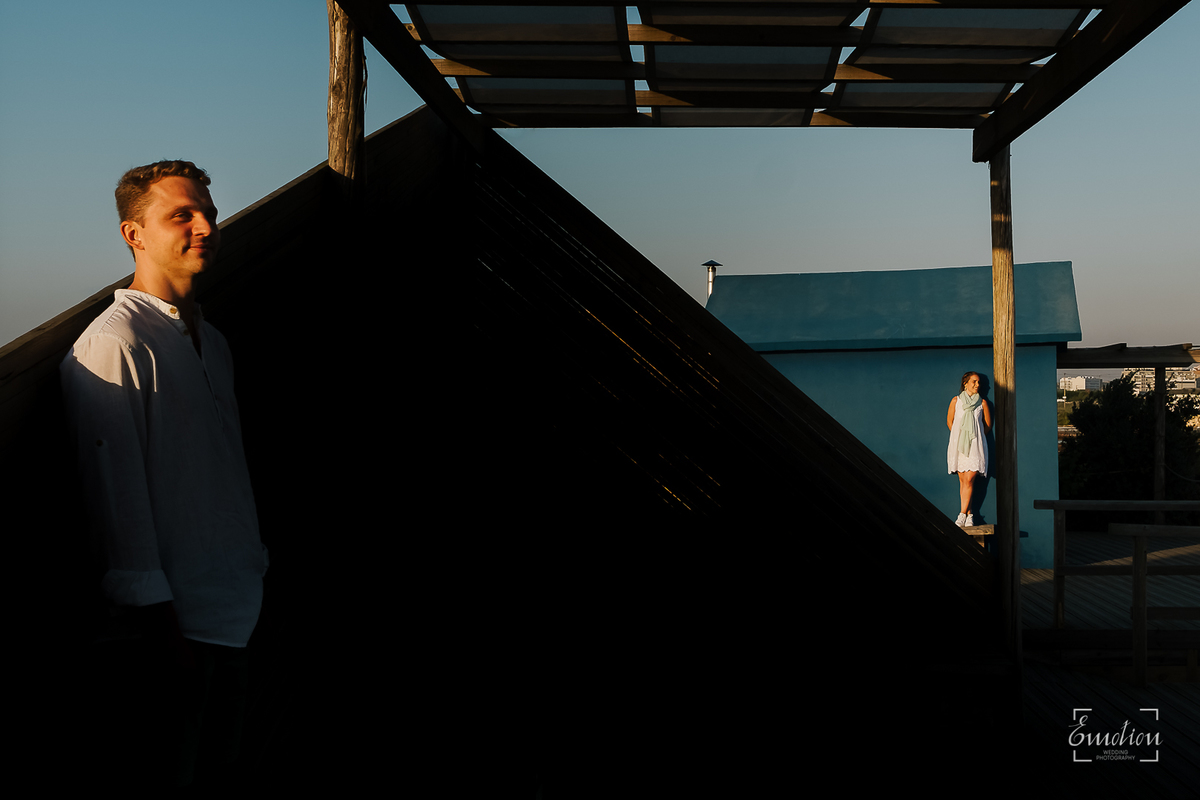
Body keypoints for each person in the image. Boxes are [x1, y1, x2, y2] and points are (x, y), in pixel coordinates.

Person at [60, 160, 267, 788]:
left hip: (239, 612)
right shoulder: (113, 344)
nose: (205, 224)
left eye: (207, 210)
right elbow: (118, 507)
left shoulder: (214, 342)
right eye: (182, 214)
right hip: (175, 636)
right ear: (134, 235)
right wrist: (163, 636)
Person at [946, 371, 992, 527]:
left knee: (970, 479)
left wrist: (975, 436)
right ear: (965, 383)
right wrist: (959, 437)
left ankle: (961, 515)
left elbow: (987, 426)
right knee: (963, 482)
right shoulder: (955, 401)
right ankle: (970, 515)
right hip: (959, 445)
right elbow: (950, 422)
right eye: (974, 381)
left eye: (978, 382)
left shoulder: (983, 403)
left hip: (975, 446)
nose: (977, 385)